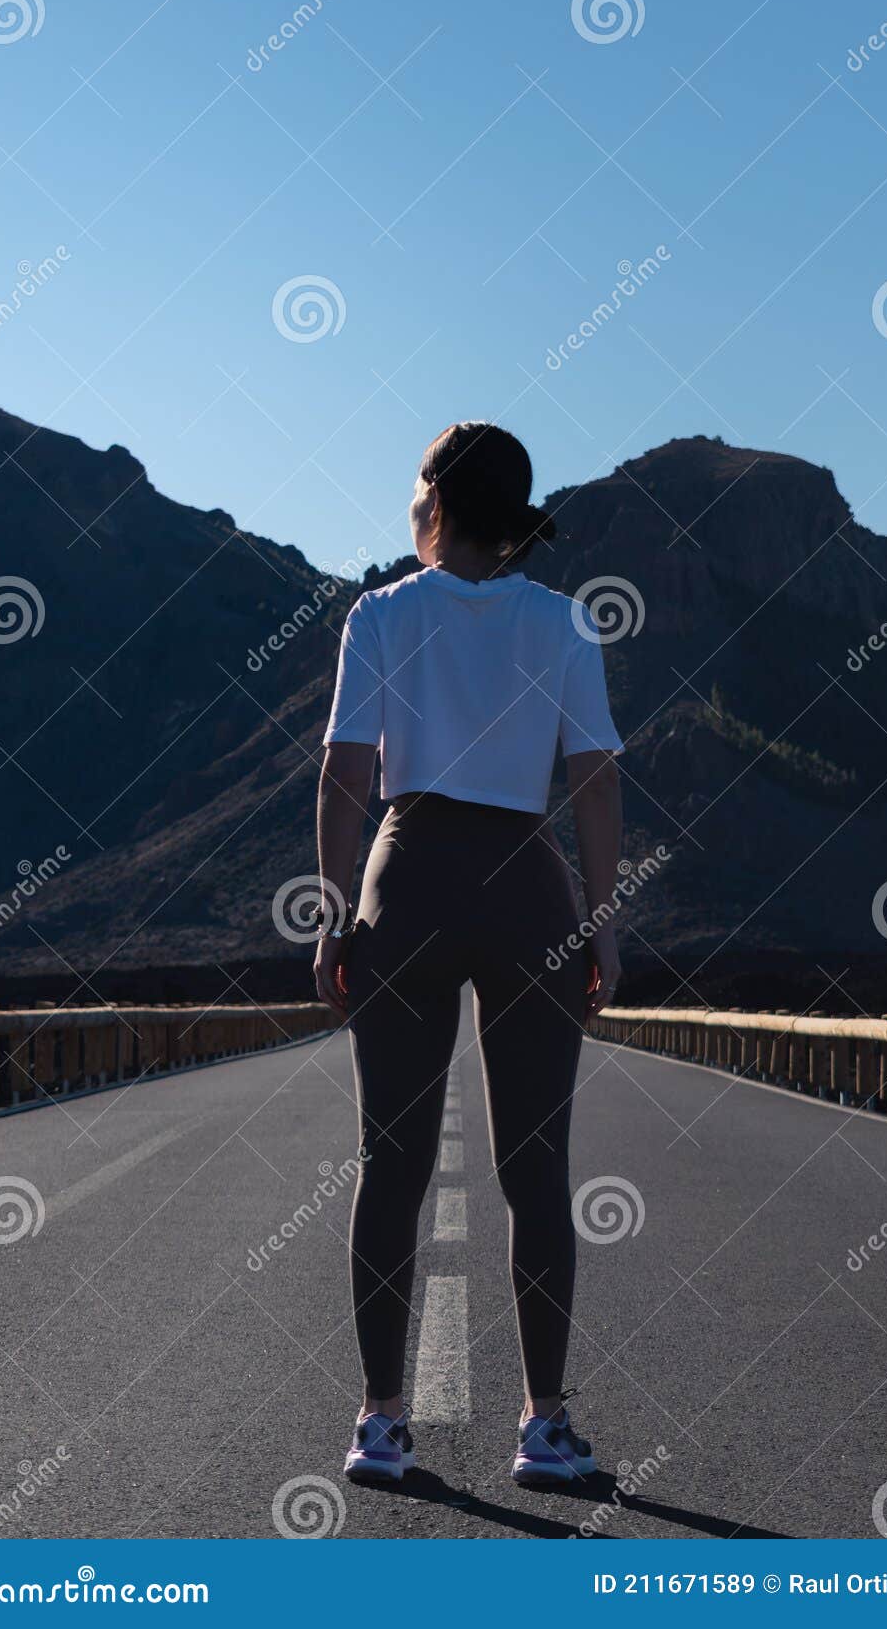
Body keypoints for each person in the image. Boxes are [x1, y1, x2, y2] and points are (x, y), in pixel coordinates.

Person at [314, 421, 623, 1488]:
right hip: (526, 882)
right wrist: (601, 923)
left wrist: (334, 911)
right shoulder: (561, 623)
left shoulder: (380, 615)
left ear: (435, 497)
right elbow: (592, 783)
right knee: (534, 1165)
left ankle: (381, 1423)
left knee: (390, 1160)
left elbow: (345, 776)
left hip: (407, 875)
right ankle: (543, 1426)